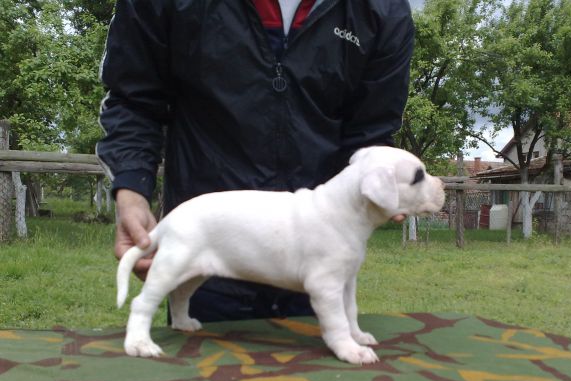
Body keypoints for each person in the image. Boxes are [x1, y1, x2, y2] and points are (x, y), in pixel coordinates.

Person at [97, 0, 415, 322]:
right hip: (213, 239)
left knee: (320, 370)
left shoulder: (383, 9)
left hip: (320, 251)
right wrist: (132, 188)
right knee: (204, 368)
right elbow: (132, 99)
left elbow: (371, 132)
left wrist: (384, 185)